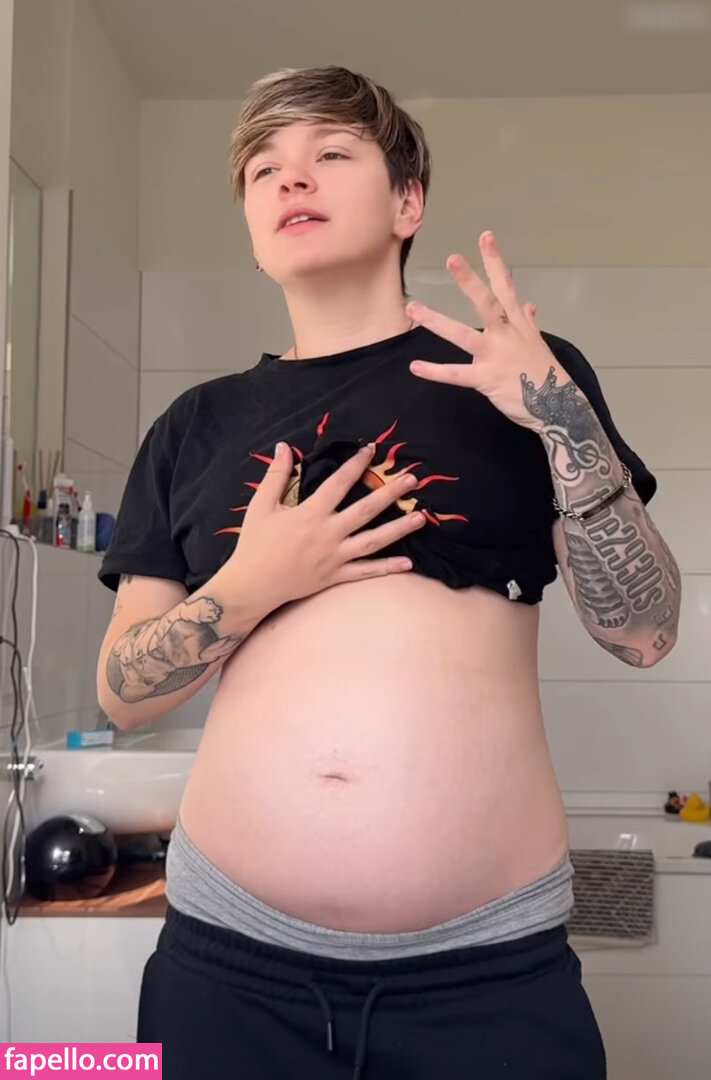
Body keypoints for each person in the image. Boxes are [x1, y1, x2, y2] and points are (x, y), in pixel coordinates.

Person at [97, 65, 681, 1080]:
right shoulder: (194, 426)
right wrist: (255, 581)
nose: (291, 178)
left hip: (487, 977)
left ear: (407, 202)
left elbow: (646, 633)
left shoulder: (521, 375)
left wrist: (560, 419)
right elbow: (123, 694)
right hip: (230, 968)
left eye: (330, 153)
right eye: (264, 169)